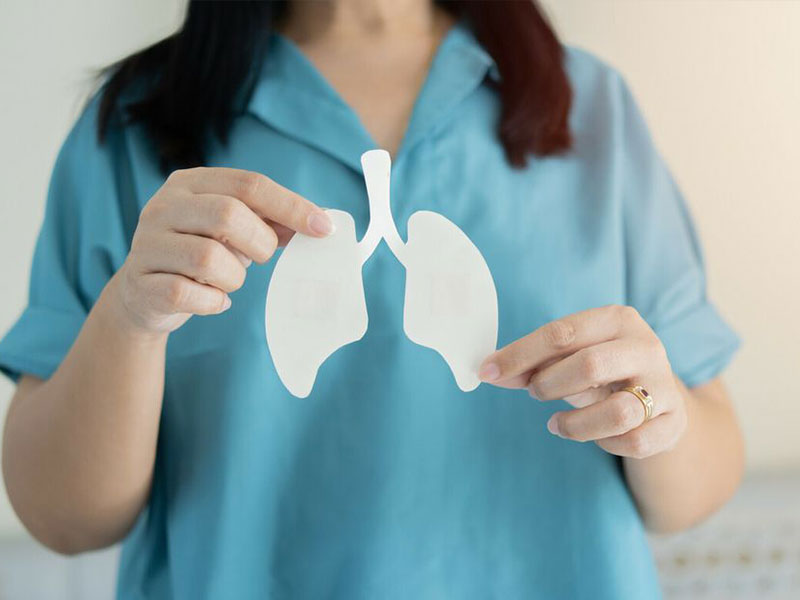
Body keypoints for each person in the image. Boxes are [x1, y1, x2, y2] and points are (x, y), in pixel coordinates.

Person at [0, 1, 744, 598]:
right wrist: (132, 316)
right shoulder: (134, 127)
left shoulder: (591, 108)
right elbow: (62, 517)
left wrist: (654, 414)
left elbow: (693, 486)